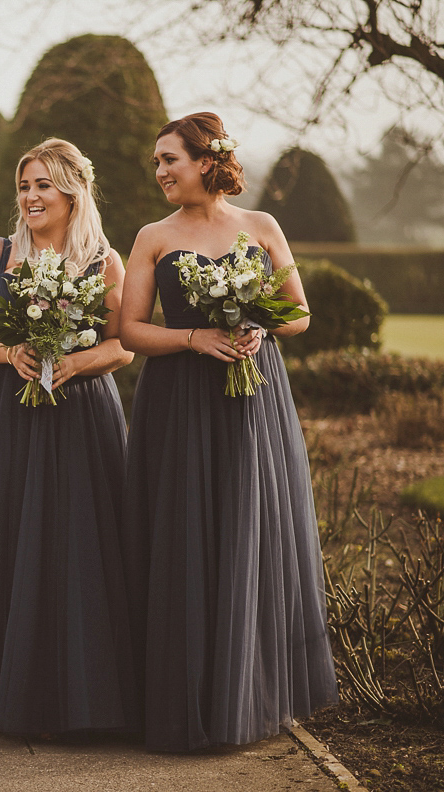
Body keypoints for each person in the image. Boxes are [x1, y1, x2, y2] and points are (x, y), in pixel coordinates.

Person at [118, 112, 337, 751]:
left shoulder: (261, 226)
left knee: (247, 529)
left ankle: (244, 692)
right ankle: (180, 695)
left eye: (170, 160)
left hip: (252, 394)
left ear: (207, 161)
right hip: (179, 398)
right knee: (185, 533)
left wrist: (260, 324)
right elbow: (131, 329)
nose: (160, 172)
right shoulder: (151, 237)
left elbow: (298, 313)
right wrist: (193, 336)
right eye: (157, 162)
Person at [0, 139, 139, 736]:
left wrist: (77, 363)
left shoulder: (106, 261)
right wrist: (12, 350)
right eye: (25, 186)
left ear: (73, 191)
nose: (31, 197)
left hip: (80, 416)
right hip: (4, 411)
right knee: (0, 533)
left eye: (43, 185)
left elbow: (123, 342)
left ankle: (79, 695)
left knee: (77, 541)